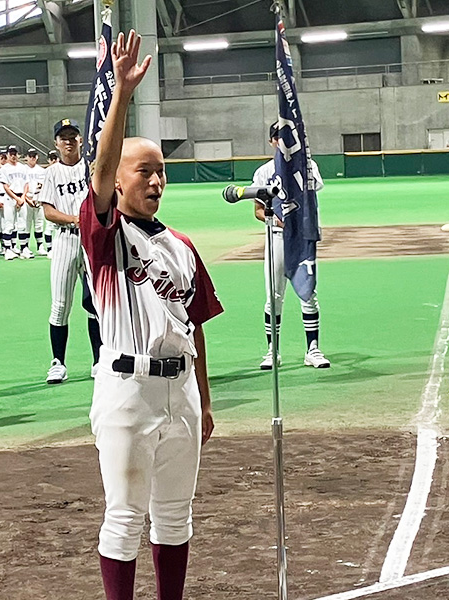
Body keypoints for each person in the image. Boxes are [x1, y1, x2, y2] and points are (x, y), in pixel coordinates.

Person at [82, 30, 223, 600]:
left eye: (161, 171)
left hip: (180, 392)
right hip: (126, 389)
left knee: (175, 517)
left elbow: (196, 326)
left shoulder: (181, 246)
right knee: (124, 519)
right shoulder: (105, 236)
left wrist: (204, 400)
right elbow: (98, 174)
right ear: (119, 180)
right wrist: (121, 92)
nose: (156, 180)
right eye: (144, 171)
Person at [252, 123, 330, 369]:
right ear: (271, 141)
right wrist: (274, 219)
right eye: (278, 137)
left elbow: (312, 195)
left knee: (308, 293)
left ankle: (313, 349)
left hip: (302, 239)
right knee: (274, 296)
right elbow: (257, 210)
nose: (282, 141)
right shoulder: (263, 172)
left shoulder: (308, 166)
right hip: (276, 237)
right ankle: (272, 352)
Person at [40, 118, 103, 383]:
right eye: (63, 137)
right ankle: (58, 362)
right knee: (60, 304)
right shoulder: (51, 173)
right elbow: (48, 211)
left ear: (80, 140)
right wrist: (76, 219)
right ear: (56, 143)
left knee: (95, 303)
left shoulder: (91, 168)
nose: (68, 141)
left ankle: (99, 359)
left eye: (72, 136)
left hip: (92, 241)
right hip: (65, 240)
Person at [0, 145, 28, 259]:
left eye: (15, 154)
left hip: (21, 197)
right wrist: (16, 199)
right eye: (11, 154)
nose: (13, 156)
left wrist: (23, 197)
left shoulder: (23, 167)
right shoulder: (4, 169)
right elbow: (5, 187)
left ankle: (23, 248)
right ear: (7, 155)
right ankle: (7, 249)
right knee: (9, 224)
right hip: (10, 197)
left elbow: (26, 184)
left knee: (23, 224)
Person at [23, 148, 48, 256]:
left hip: (38, 200)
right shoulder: (23, 170)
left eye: (34, 156)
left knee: (39, 224)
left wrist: (38, 199)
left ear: (37, 157)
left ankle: (40, 246)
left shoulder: (41, 171)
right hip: (26, 199)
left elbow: (42, 186)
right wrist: (27, 199)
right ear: (26, 157)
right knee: (26, 224)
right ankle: (25, 246)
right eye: (30, 156)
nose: (32, 158)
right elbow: (22, 186)